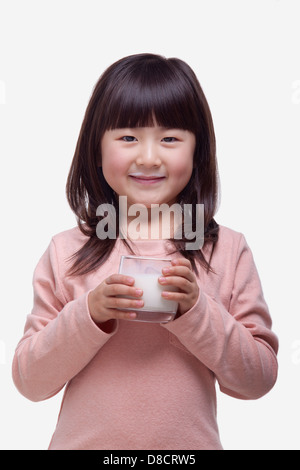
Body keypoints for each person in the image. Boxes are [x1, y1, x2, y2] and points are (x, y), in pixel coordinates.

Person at [12, 53, 278, 450]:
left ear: (197, 150)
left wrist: (196, 310)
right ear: (96, 149)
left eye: (170, 138)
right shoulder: (68, 250)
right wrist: (89, 314)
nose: (150, 157)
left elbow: (257, 380)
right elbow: (30, 382)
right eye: (128, 137)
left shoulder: (225, 249)